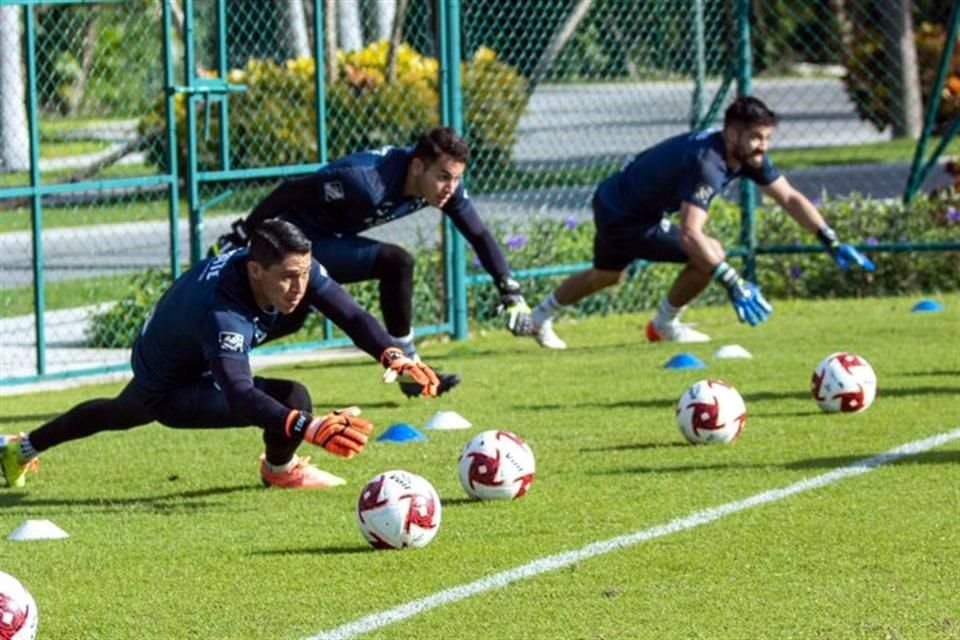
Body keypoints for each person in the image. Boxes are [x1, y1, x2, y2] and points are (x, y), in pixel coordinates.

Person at [0, 219, 445, 491]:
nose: (299, 286)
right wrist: (310, 428)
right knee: (294, 398)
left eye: (304, 274)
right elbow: (238, 393)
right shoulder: (223, 314)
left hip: (171, 346)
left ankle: (20, 448)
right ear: (255, 270)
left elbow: (350, 313)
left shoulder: (286, 267)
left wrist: (393, 355)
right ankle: (280, 469)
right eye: (288, 277)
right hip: (174, 383)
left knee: (120, 410)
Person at [513, 95, 875, 349]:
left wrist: (831, 240)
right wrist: (734, 283)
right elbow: (690, 232)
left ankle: (540, 317)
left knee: (607, 275)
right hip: (624, 214)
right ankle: (664, 325)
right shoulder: (709, 163)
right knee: (707, 252)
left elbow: (790, 197)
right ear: (732, 132)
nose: (762, 146)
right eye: (755, 137)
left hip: (616, 201)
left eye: (767, 138)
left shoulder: (745, 157)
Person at [210, 127, 530, 395]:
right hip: (302, 242)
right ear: (417, 166)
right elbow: (291, 191)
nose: (452, 188)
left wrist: (509, 288)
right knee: (395, 262)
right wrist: (243, 233)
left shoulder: (443, 187)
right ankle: (409, 365)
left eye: (457, 178)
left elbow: (479, 234)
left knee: (295, 316)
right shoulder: (364, 182)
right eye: (444, 177)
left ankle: (408, 367)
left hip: (331, 239)